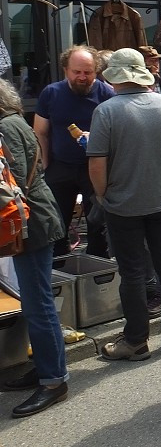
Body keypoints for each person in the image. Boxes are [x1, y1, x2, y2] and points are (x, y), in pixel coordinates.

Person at [87, 49, 161, 361]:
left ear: (114, 77)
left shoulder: (106, 112)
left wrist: (102, 195)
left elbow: (97, 164)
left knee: (132, 271)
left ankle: (136, 340)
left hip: (123, 203)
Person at [0, 79, 68, 417]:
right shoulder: (13, 122)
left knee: (37, 301)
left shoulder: (6, 126)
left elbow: (12, 179)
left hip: (29, 221)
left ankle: (54, 381)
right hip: (29, 218)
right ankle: (45, 368)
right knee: (34, 299)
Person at [33, 44, 114, 258]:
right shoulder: (51, 93)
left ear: (96, 71)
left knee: (98, 226)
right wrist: (46, 165)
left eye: (87, 72)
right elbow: (40, 131)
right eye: (76, 71)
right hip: (60, 166)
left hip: (95, 168)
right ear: (66, 70)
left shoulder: (107, 94)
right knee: (56, 225)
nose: (82, 77)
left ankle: (98, 275)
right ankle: (60, 274)